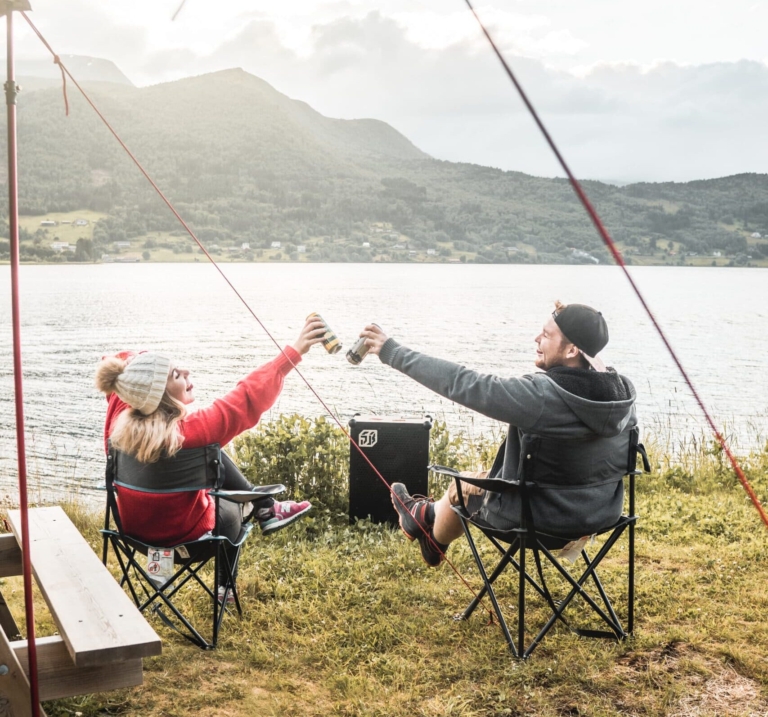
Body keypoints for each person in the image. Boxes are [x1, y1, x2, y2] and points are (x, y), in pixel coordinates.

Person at [359, 301, 638, 567]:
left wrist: (392, 352)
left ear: (571, 351)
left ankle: (428, 530)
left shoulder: (542, 397)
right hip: (600, 513)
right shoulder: (622, 396)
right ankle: (420, 516)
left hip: (537, 518)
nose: (536, 339)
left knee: (462, 488)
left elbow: (463, 383)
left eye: (546, 335)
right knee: (478, 481)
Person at [95, 315, 326, 596]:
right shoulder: (193, 432)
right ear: (161, 397)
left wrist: (139, 364)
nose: (186, 372)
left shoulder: (118, 432)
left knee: (209, 459)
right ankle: (225, 587)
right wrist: (295, 352)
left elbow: (126, 380)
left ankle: (161, 571)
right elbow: (246, 397)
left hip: (136, 536)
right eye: (176, 375)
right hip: (192, 539)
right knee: (236, 506)